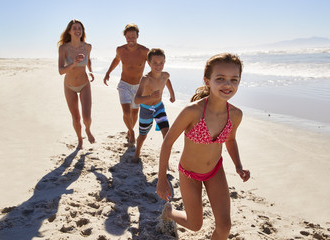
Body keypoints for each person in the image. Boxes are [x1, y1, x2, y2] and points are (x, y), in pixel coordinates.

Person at [156, 53, 250, 239]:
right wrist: (161, 179)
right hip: (189, 174)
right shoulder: (193, 111)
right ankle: (168, 213)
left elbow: (230, 140)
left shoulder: (235, 114)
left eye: (234, 79)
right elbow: (167, 143)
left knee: (224, 227)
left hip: (215, 171)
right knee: (195, 224)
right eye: (220, 78)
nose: (228, 85)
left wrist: (238, 166)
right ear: (208, 80)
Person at [103, 23, 149, 146]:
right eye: (128, 37)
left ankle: (130, 131)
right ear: (125, 37)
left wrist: (155, 81)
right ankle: (131, 132)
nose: (130, 40)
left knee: (134, 113)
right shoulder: (120, 50)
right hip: (124, 84)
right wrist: (108, 72)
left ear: (137, 36)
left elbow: (153, 66)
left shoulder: (144, 51)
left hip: (138, 87)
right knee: (126, 112)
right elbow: (116, 59)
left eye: (133, 37)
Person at [132, 48, 175, 163]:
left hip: (159, 108)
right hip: (146, 110)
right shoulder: (146, 79)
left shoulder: (165, 75)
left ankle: (165, 161)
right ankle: (137, 153)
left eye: (161, 63)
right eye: (155, 63)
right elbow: (136, 100)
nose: (158, 66)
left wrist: (172, 94)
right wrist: (150, 97)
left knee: (166, 133)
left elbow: (167, 80)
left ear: (164, 63)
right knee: (143, 135)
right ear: (149, 63)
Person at [58, 19, 95, 149]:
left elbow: (88, 61)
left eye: (80, 28)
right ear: (69, 31)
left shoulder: (87, 47)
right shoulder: (63, 48)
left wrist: (90, 71)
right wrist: (73, 63)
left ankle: (88, 129)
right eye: (74, 28)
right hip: (69, 86)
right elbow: (61, 71)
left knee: (87, 117)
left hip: (84, 83)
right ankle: (80, 140)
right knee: (76, 118)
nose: (77, 30)